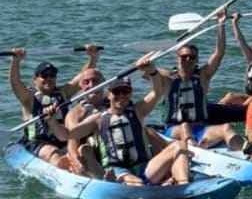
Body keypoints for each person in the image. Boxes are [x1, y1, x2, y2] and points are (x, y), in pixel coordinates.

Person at [45, 54, 192, 185]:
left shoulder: (138, 110)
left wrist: (152, 71)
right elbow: (67, 135)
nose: (121, 95)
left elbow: (157, 91)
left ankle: (184, 188)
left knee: (179, 145)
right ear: (109, 95)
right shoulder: (97, 118)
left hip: (143, 166)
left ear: (130, 93)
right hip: (119, 169)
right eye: (117, 92)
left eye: (125, 91)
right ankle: (112, 182)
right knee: (136, 182)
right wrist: (51, 120)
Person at [159, 8, 244, 150]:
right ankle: (194, 150)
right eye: (184, 57)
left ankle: (243, 153)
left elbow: (219, 53)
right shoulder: (167, 78)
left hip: (200, 128)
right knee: (184, 126)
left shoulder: (203, 76)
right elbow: (144, 71)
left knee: (226, 128)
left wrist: (221, 24)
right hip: (173, 130)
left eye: (192, 57)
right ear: (177, 58)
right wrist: (146, 62)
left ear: (197, 59)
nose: (188, 60)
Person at [8, 45, 101, 166]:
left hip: (64, 138)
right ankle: (63, 169)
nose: (49, 78)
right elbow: (15, 83)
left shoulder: (63, 92)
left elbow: (83, 77)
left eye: (52, 75)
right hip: (39, 143)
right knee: (53, 152)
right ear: (35, 79)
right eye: (44, 75)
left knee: (88, 146)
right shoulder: (28, 97)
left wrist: (93, 57)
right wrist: (15, 61)